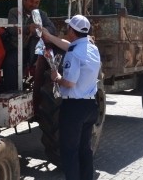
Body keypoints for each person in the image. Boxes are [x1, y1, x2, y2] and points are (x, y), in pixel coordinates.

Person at [40, 14, 101, 180]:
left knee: (69, 152)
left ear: (72, 31)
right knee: (84, 149)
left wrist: (57, 77)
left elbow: (69, 83)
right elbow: (69, 46)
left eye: (68, 28)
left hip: (74, 109)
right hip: (90, 107)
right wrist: (50, 36)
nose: (67, 30)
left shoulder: (74, 54)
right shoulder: (92, 48)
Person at [2, 0, 56, 91]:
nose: (34, 5)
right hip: (16, 47)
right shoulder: (14, 12)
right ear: (24, 0)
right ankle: (11, 92)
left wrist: (40, 30)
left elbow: (52, 29)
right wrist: (28, 28)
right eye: (31, 1)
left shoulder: (41, 14)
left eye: (37, 2)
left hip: (34, 49)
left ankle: (41, 92)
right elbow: (12, 29)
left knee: (50, 61)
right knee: (10, 62)